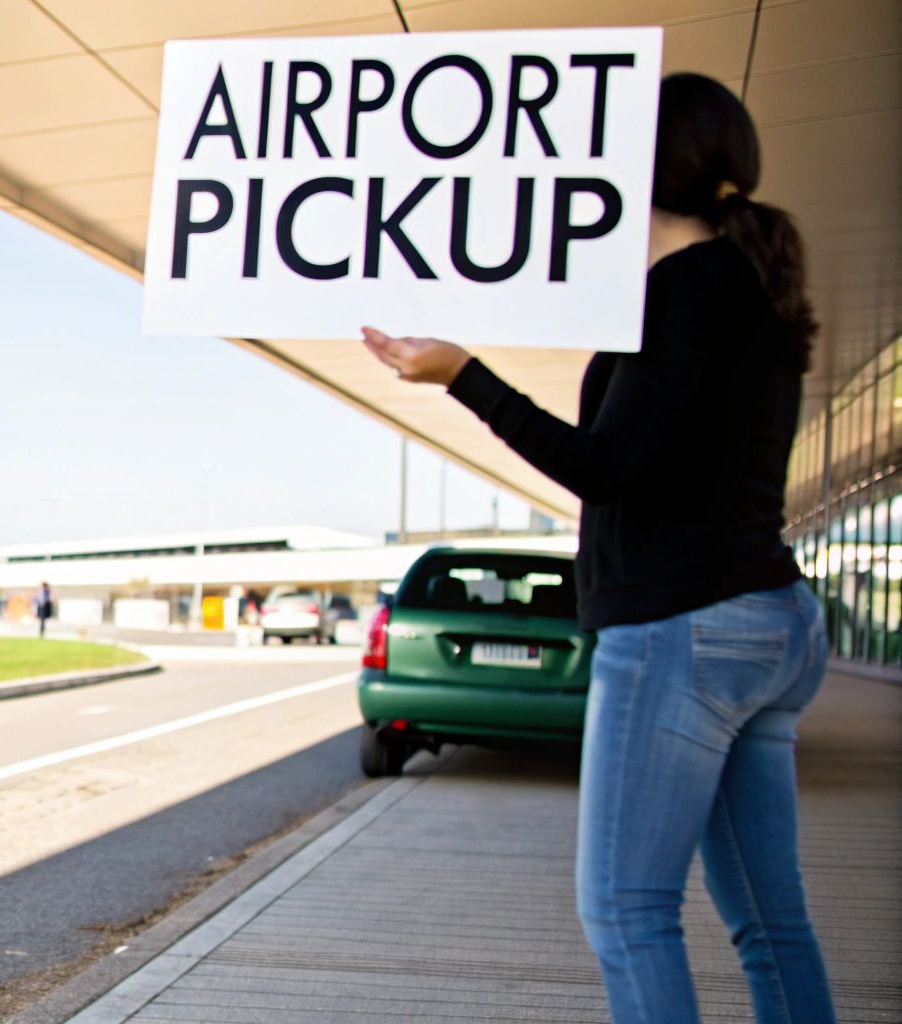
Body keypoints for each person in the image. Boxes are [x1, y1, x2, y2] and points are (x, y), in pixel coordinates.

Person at [362, 74, 832, 1024]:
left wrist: (464, 377)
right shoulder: (752, 291)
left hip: (682, 628)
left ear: (638, 166)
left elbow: (608, 466)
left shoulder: (682, 289)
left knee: (626, 910)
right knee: (770, 925)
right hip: (770, 623)